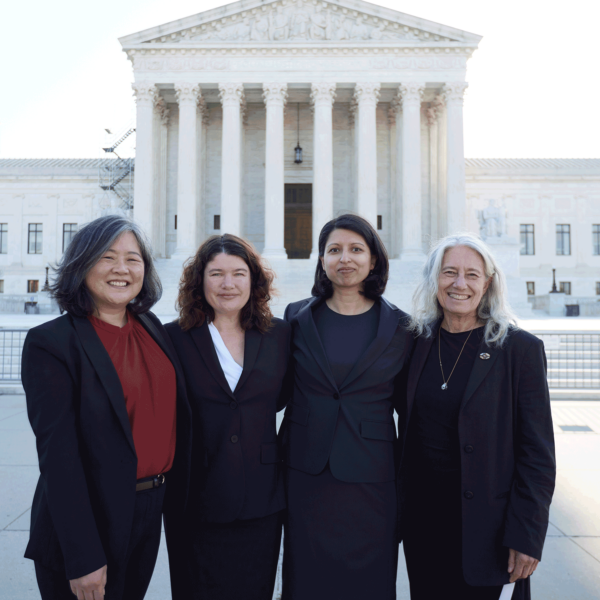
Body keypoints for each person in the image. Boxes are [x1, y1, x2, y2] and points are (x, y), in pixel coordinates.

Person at [21, 215, 192, 600]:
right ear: (82, 265)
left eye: (133, 259)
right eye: (107, 257)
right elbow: (58, 457)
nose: (122, 269)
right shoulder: (51, 344)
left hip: (148, 509)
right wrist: (81, 556)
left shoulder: (152, 327)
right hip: (90, 515)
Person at [399, 233, 556, 600]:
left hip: (488, 529)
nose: (459, 284)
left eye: (472, 275)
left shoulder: (519, 349)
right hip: (423, 525)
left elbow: (538, 455)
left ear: (487, 284)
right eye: (449, 272)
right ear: (434, 279)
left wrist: (527, 534)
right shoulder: (415, 343)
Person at [281, 214, 412, 600]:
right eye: (334, 250)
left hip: (372, 479)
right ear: (321, 260)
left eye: (357, 249)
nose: (345, 258)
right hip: (307, 477)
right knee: (306, 581)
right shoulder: (295, 317)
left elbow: (410, 406)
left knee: (368, 584)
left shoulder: (402, 327)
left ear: (373, 260)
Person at [164, 234, 291, 600]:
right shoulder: (173, 337)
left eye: (238, 273)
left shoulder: (280, 334)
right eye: (216, 273)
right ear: (199, 281)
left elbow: (283, 398)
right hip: (194, 498)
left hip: (261, 498)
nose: (228, 284)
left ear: (253, 280)